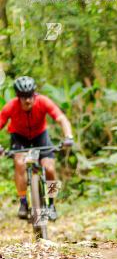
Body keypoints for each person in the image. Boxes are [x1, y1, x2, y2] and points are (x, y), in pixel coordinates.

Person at [0, 76, 74, 220]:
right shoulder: (10, 107)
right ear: (18, 97)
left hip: (40, 136)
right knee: (20, 163)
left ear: (34, 94)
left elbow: (61, 119)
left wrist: (68, 137)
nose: (27, 100)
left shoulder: (43, 102)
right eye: (23, 97)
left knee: (50, 169)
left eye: (30, 96)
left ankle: (52, 203)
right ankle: (23, 202)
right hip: (19, 137)